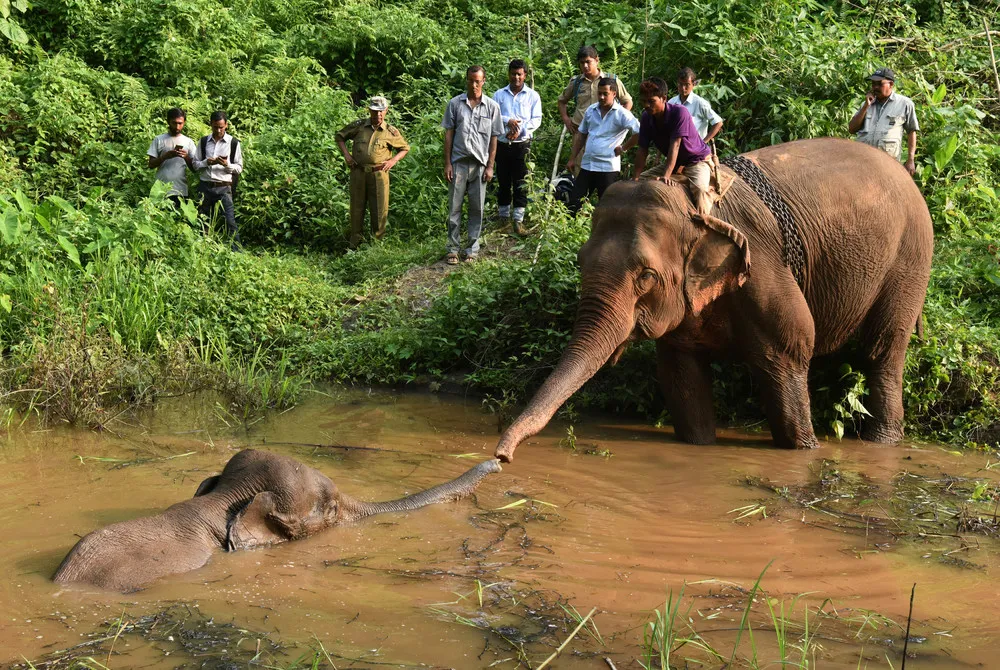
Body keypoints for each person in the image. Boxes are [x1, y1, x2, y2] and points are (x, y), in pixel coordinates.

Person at [442, 65, 504, 264]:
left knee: (477, 208)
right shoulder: (455, 104)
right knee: (454, 208)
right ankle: (453, 248)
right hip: (458, 163)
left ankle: (472, 249)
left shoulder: (492, 107)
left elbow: (494, 138)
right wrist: (448, 164)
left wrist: (490, 166)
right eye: (471, 80)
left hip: (479, 165)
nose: (474, 84)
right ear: (466, 80)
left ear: (484, 81)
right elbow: (449, 135)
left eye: (478, 81)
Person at [335, 96, 410, 249]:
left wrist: (392, 161)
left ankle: (377, 245)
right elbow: (340, 136)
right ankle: (354, 245)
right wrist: (347, 155)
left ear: (386, 111)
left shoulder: (390, 131)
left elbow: (404, 148)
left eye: (381, 112)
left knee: (379, 209)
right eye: (375, 112)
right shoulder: (359, 126)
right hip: (358, 173)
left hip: (379, 175)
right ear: (369, 110)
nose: (378, 115)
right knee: (356, 207)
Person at [632, 77, 713, 215]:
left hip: (696, 160)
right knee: (640, 184)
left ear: (664, 98)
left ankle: (704, 224)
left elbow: (675, 145)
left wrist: (666, 176)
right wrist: (636, 178)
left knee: (700, 191)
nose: (646, 105)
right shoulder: (646, 117)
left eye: (651, 101)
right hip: (676, 163)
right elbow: (642, 149)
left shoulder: (679, 112)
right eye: (643, 101)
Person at [565, 77, 639, 214]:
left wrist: (624, 148)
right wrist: (572, 158)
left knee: (607, 207)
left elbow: (639, 132)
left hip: (607, 167)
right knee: (574, 203)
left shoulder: (622, 114)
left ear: (614, 94)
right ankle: (571, 232)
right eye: (599, 93)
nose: (601, 97)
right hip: (588, 164)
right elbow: (581, 135)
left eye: (605, 94)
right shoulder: (591, 110)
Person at [558, 46, 633, 173]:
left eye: (588, 62)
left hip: (606, 135)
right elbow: (561, 101)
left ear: (596, 60)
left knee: (605, 170)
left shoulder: (611, 80)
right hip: (580, 133)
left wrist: (619, 121)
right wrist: (566, 119)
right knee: (579, 169)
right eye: (582, 63)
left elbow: (627, 101)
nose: (585, 66)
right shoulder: (576, 82)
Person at [492, 59, 542, 235]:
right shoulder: (498, 95)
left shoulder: (533, 96)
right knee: (503, 180)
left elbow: (536, 119)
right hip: (502, 144)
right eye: (513, 74)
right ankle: (503, 218)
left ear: (525, 75)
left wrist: (519, 130)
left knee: (521, 182)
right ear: (509, 74)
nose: (516, 77)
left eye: (519, 74)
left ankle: (518, 220)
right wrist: (509, 121)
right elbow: (493, 115)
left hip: (522, 144)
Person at [848, 67, 918, 176]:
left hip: (888, 164)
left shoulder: (905, 104)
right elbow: (852, 129)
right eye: (873, 84)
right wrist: (866, 106)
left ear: (891, 84)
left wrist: (911, 160)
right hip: (862, 163)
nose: (875, 87)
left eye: (879, 84)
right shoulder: (866, 104)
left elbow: (912, 132)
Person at [192, 110, 243, 247]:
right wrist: (207, 162)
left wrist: (227, 165)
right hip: (205, 185)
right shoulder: (203, 142)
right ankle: (202, 247)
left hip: (224, 186)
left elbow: (239, 167)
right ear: (211, 125)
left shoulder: (233, 143)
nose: (219, 130)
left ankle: (236, 250)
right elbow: (195, 164)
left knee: (229, 220)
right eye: (216, 127)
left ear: (226, 125)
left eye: (221, 126)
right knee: (202, 219)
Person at [146, 108, 197, 207]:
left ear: (184, 122)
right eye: (174, 123)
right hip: (160, 189)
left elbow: (195, 168)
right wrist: (165, 157)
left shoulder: (188, 142)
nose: (177, 127)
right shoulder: (159, 140)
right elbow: (151, 164)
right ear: (168, 121)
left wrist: (186, 157)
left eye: (180, 123)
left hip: (180, 189)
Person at [668, 67, 723, 142]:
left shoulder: (700, 103)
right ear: (677, 83)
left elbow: (718, 122)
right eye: (680, 84)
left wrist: (704, 143)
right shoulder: (671, 103)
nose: (683, 88)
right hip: (676, 148)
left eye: (687, 84)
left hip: (696, 150)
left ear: (693, 84)